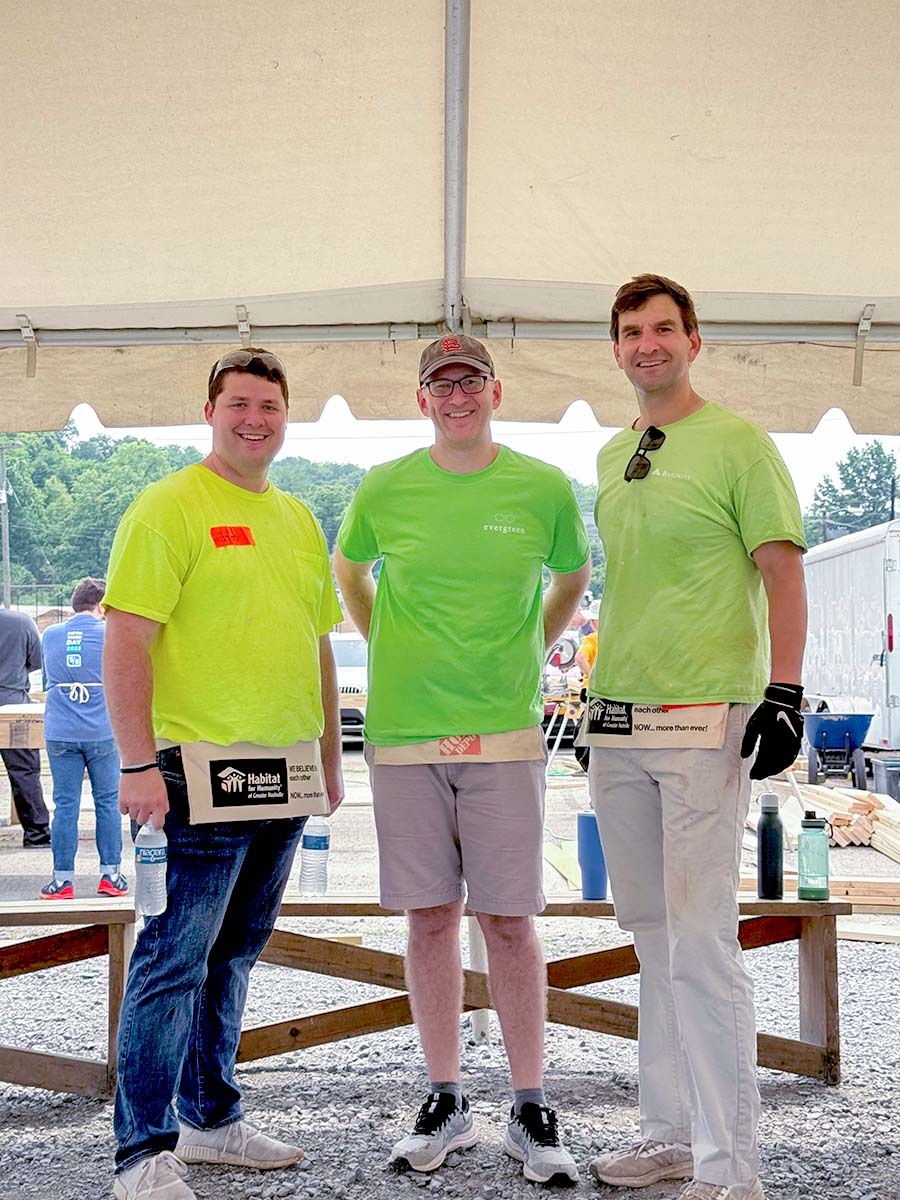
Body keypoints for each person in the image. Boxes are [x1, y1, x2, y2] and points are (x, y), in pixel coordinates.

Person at [334, 333, 591, 1187]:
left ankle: (529, 1102)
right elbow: (349, 567)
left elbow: (572, 574)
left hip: (504, 730)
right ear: (421, 399)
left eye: (470, 381)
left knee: (511, 920)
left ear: (495, 389)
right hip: (406, 732)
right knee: (430, 917)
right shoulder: (386, 486)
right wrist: (386, 642)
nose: (456, 396)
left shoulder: (542, 486)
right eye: (440, 384)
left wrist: (531, 645)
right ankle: (444, 1095)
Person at [103, 348, 344, 1200]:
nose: (255, 418)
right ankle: (141, 1154)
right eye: (240, 402)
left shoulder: (300, 518)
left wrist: (328, 755)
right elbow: (126, 638)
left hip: (284, 772)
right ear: (210, 410)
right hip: (194, 769)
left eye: (270, 405)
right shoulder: (169, 506)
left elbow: (316, 641)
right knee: (173, 959)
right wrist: (136, 763)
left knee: (235, 952)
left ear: (286, 415)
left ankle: (211, 1119)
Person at [585, 276, 806, 1200]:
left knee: (704, 942)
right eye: (632, 331)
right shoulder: (611, 453)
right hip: (617, 719)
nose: (648, 344)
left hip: (705, 720)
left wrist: (785, 692)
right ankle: (671, 1136)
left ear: (694, 340)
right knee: (650, 936)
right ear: (617, 347)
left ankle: (732, 1169)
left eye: (664, 329)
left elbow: (783, 573)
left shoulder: (740, 445)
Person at [40, 577, 126, 899]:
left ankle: (62, 880)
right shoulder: (110, 633)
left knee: (64, 806)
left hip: (60, 731)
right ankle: (110, 875)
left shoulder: (50, 634)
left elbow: (48, 679)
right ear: (102, 606)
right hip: (102, 730)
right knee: (106, 802)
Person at [0, 606, 51, 846]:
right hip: (13, 706)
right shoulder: (23, 622)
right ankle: (36, 833)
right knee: (24, 771)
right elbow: (36, 662)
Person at [574, 599, 600, 680]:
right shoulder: (615, 639)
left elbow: (580, 657)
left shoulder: (593, 638)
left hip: (591, 689)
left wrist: (592, 679)